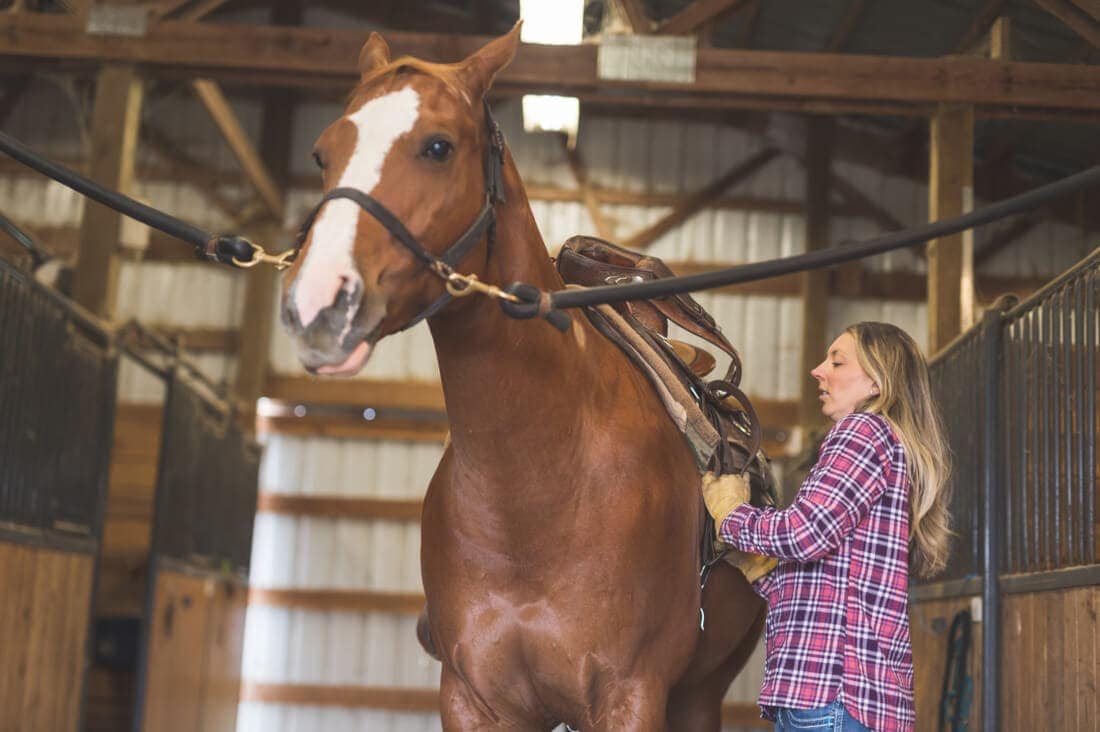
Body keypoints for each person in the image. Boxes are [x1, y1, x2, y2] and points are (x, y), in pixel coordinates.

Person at [703, 321, 952, 732]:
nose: (819, 370)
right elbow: (831, 585)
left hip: (830, 693)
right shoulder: (888, 444)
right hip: (850, 697)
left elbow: (806, 534)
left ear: (877, 382)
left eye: (837, 361)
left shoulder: (861, 432)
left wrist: (731, 514)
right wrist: (762, 570)